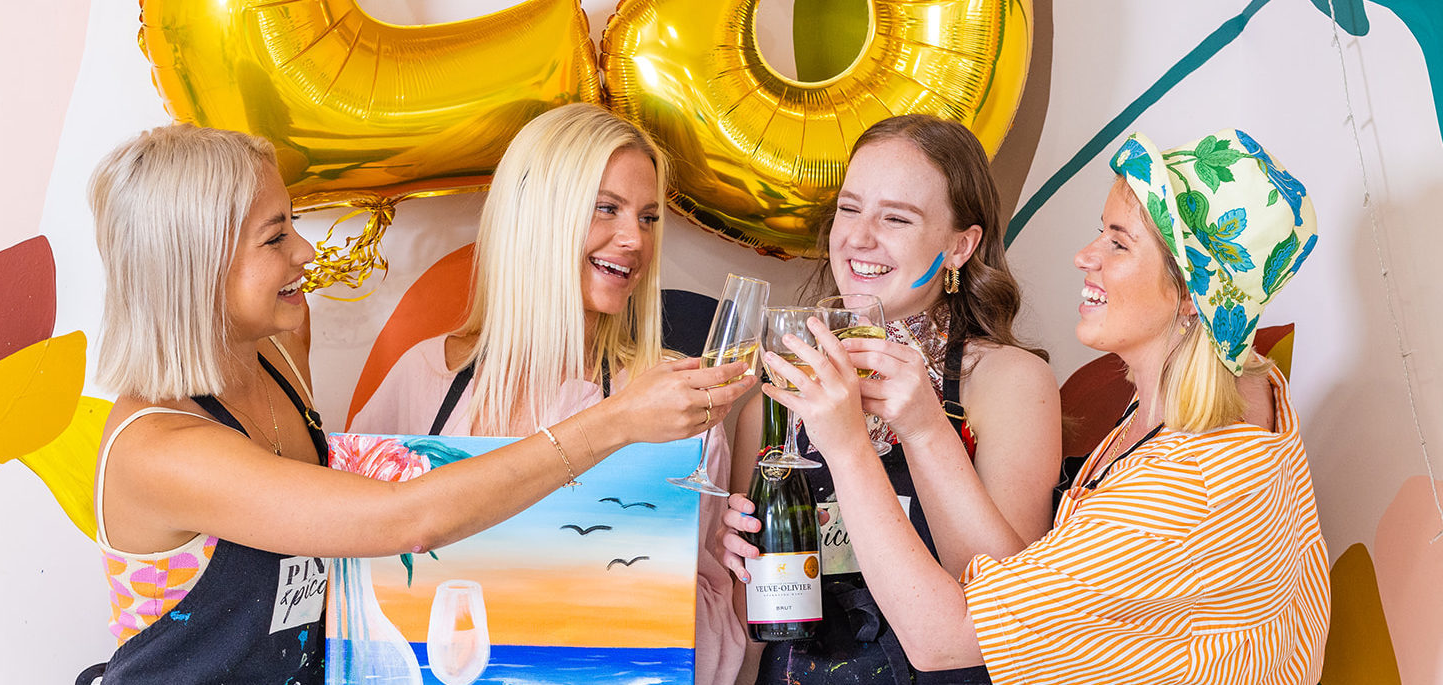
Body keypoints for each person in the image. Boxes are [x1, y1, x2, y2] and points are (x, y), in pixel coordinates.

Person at [84, 123, 753, 684]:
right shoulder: (161, 451)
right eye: (276, 235)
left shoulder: (283, 347)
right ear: (198, 264)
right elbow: (406, 519)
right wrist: (613, 423)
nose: (307, 250)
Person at [738, 128, 1329, 683]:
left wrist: (848, 447)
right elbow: (1006, 587)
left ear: (1191, 299)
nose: (1084, 256)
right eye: (849, 207)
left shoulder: (1195, 482)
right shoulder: (1185, 412)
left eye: (1118, 243)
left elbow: (945, 637)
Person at [349, 103, 746, 685]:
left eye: (650, 217)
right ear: (534, 216)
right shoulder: (423, 379)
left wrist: (727, 562)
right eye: (605, 208)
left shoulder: (679, 400)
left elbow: (717, 624)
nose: (634, 238)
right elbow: (348, 562)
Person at [721, 115, 1063, 684]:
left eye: (896, 218)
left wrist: (915, 431)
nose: (858, 237)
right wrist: (736, 561)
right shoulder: (777, 398)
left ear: (960, 246)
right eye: (850, 209)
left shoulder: (1009, 382)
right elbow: (753, 633)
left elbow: (1008, 613)